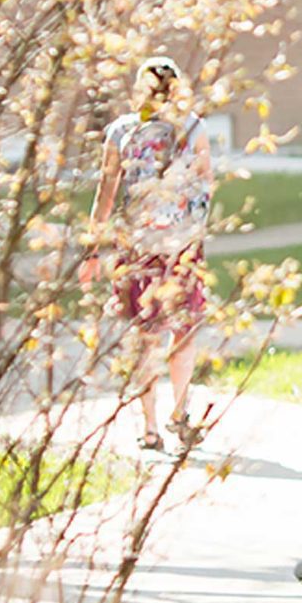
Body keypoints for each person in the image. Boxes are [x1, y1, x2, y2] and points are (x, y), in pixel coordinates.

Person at [89, 57, 214, 452]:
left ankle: (149, 428)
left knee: (146, 337)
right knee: (184, 330)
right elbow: (205, 189)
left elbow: (106, 194)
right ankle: (179, 414)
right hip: (181, 247)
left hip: (138, 248)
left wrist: (93, 248)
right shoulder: (194, 128)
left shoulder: (121, 131)